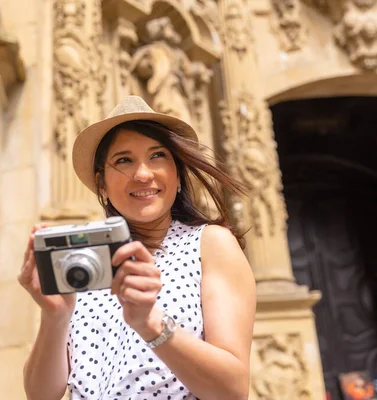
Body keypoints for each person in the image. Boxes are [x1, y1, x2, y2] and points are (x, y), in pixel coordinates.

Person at [18, 96, 257, 400]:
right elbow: (40, 395)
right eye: (124, 160)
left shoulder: (209, 244)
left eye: (157, 156)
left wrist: (151, 325)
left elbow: (233, 391)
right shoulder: (85, 265)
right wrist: (54, 316)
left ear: (178, 176)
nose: (143, 174)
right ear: (101, 184)